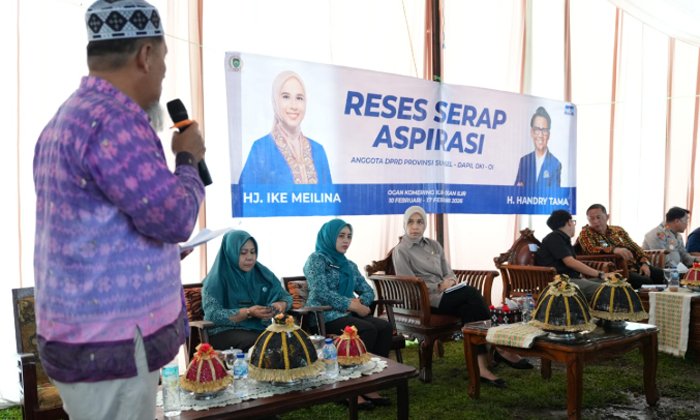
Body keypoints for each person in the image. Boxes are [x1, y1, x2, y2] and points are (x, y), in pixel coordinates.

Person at [32, 1, 206, 419]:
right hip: (112, 342)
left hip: (83, 335)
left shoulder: (68, 117)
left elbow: (96, 230)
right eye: (163, 60)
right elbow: (175, 217)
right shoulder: (117, 122)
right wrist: (188, 159)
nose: (163, 74)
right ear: (145, 55)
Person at [392, 206, 532, 389]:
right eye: (411, 222)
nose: (415, 226)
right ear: (404, 224)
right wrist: (438, 286)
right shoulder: (401, 250)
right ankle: (498, 347)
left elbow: (448, 272)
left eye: (419, 222)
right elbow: (408, 283)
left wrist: (450, 281)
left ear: (424, 224)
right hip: (425, 299)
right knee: (472, 294)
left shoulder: (433, 245)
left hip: (446, 294)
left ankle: (480, 367)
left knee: (470, 309)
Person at [304, 219, 391, 409]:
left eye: (349, 236)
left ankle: (369, 384)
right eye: (341, 236)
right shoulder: (316, 259)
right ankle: (348, 389)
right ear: (329, 237)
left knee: (384, 327)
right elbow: (320, 291)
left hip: (348, 314)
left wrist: (361, 304)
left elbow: (367, 291)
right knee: (366, 330)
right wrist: (350, 304)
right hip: (324, 316)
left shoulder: (349, 265)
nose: (346, 240)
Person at [202, 230, 292, 351]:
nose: (249, 257)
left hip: (257, 329)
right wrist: (248, 312)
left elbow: (285, 297)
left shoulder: (262, 273)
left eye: (253, 252)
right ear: (231, 252)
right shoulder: (216, 279)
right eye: (243, 253)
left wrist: (281, 304)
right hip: (223, 331)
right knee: (262, 342)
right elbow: (212, 315)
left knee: (288, 339)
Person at [239, 70, 332, 184]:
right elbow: (245, 192)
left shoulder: (318, 151)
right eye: (286, 97)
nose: (294, 106)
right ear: (275, 101)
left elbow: (330, 194)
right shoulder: (261, 149)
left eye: (299, 98)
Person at [578, 204, 665, 288]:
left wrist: (644, 263)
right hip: (615, 270)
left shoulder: (618, 230)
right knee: (646, 281)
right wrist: (613, 250)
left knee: (664, 276)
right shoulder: (586, 233)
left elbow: (635, 247)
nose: (595, 221)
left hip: (636, 265)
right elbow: (591, 249)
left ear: (607, 217)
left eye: (598, 217)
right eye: (591, 219)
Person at [535, 210, 614, 299]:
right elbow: (570, 262)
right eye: (573, 222)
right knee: (609, 290)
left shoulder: (561, 238)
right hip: (562, 283)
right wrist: (600, 274)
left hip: (572, 279)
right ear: (569, 222)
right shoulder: (555, 238)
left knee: (612, 283)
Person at [514, 106, 562, 189]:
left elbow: (553, 193)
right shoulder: (524, 161)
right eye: (537, 129)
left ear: (549, 134)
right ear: (532, 132)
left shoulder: (555, 164)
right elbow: (516, 191)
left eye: (544, 130)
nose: (540, 135)